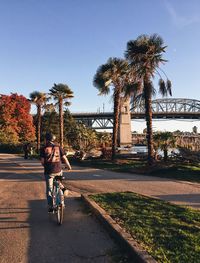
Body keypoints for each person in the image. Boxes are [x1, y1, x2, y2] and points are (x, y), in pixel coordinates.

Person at [40, 132, 72, 212]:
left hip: (49, 171)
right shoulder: (58, 147)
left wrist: (46, 166)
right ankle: (63, 191)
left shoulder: (43, 148)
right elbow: (64, 158)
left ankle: (51, 207)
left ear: (46, 140)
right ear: (53, 139)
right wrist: (69, 166)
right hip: (58, 170)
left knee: (49, 189)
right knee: (58, 181)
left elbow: (42, 162)